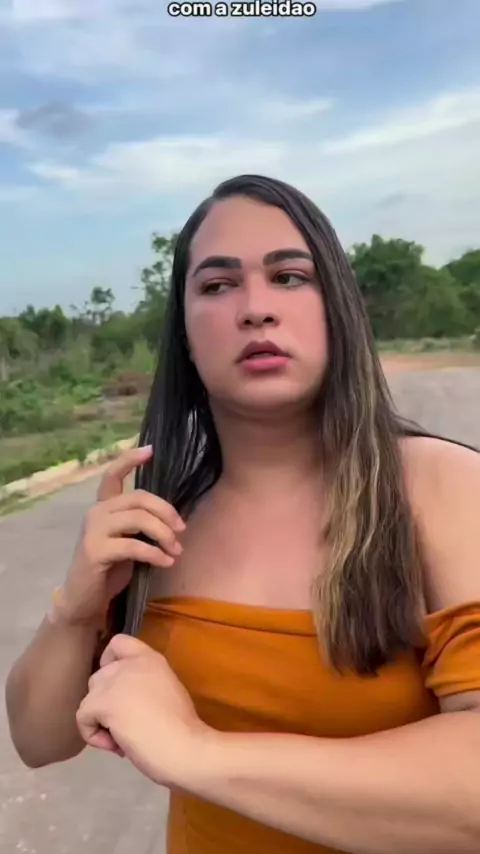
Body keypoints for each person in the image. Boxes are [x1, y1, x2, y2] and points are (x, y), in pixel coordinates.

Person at [5, 174, 480, 854]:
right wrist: (76, 611)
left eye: (289, 277)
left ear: (337, 309)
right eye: (218, 285)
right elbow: (38, 741)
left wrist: (199, 752)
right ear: (185, 335)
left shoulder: (442, 488)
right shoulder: (160, 520)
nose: (256, 309)